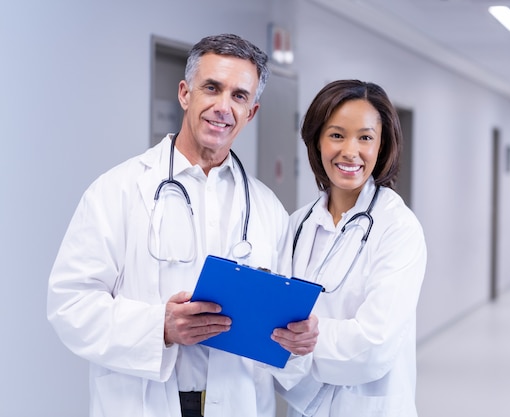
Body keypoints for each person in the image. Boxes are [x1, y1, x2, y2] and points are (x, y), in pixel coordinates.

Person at [47, 33, 318, 417]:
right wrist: (160, 327)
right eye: (212, 88)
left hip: (237, 403)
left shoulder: (266, 208)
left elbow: (281, 325)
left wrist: (298, 339)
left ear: (252, 112)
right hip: (142, 402)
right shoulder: (118, 190)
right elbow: (69, 305)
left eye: (239, 96)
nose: (223, 107)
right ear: (185, 93)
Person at [279, 79, 427, 416]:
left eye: (365, 137)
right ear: (316, 141)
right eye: (336, 135)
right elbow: (269, 330)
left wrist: (303, 341)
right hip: (303, 408)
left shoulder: (398, 228)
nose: (350, 151)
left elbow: (374, 346)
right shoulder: (297, 226)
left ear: (381, 145)